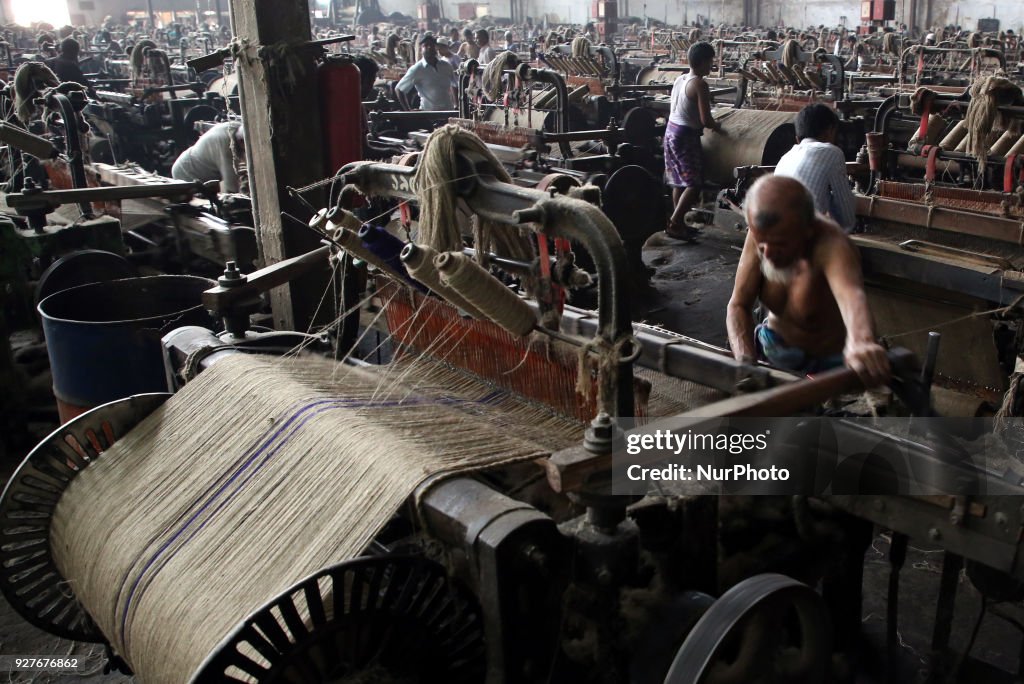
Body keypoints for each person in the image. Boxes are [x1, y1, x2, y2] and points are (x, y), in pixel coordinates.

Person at [726, 175, 889, 385]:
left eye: (780, 245)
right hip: (775, 348)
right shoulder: (762, 232)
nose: (768, 254)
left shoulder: (832, 243)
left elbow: (852, 295)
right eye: (761, 245)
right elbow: (738, 305)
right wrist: (746, 363)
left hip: (830, 365)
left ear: (807, 230)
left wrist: (862, 341)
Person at [663, 41, 724, 239]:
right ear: (703, 62)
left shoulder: (681, 79)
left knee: (678, 181)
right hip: (685, 137)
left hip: (670, 132)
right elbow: (706, 120)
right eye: (710, 61)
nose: (711, 65)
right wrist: (719, 127)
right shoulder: (699, 84)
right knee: (694, 183)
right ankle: (674, 223)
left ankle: (679, 223)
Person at [773, 103, 856, 232]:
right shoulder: (832, 152)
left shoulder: (785, 157)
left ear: (797, 139)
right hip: (800, 237)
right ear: (830, 131)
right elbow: (847, 218)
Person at [171, 120, 246, 194]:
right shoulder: (226, 147)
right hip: (186, 173)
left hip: (197, 166)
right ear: (241, 141)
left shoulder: (238, 127)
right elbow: (231, 189)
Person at [396, 34, 455, 111]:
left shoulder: (446, 66)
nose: (429, 47)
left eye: (432, 45)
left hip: (448, 113)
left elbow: (455, 85)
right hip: (429, 115)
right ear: (421, 49)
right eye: (426, 45)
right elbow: (399, 89)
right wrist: (408, 111)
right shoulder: (417, 69)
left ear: (436, 47)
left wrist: (456, 104)